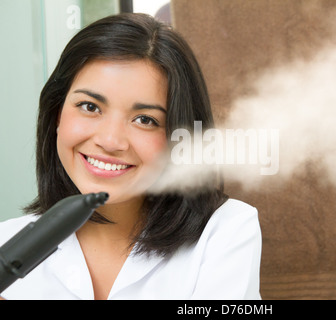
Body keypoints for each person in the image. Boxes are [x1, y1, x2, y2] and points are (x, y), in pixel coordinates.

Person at [0, 13, 261, 300]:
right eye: (89, 106)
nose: (110, 141)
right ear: (56, 115)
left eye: (145, 120)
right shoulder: (6, 243)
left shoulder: (226, 232)